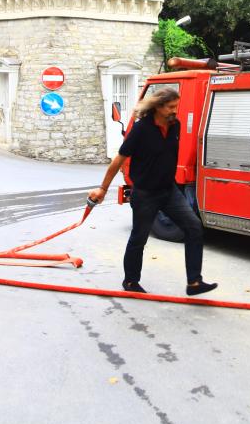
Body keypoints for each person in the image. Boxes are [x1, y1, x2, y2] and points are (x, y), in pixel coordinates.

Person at [88, 87, 217, 296]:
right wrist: (103, 188)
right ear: (158, 106)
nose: (175, 110)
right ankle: (131, 281)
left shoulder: (175, 125)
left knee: (194, 227)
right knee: (139, 238)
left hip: (169, 191)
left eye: (176, 106)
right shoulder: (141, 129)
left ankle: (194, 282)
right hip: (145, 194)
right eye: (170, 107)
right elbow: (120, 159)